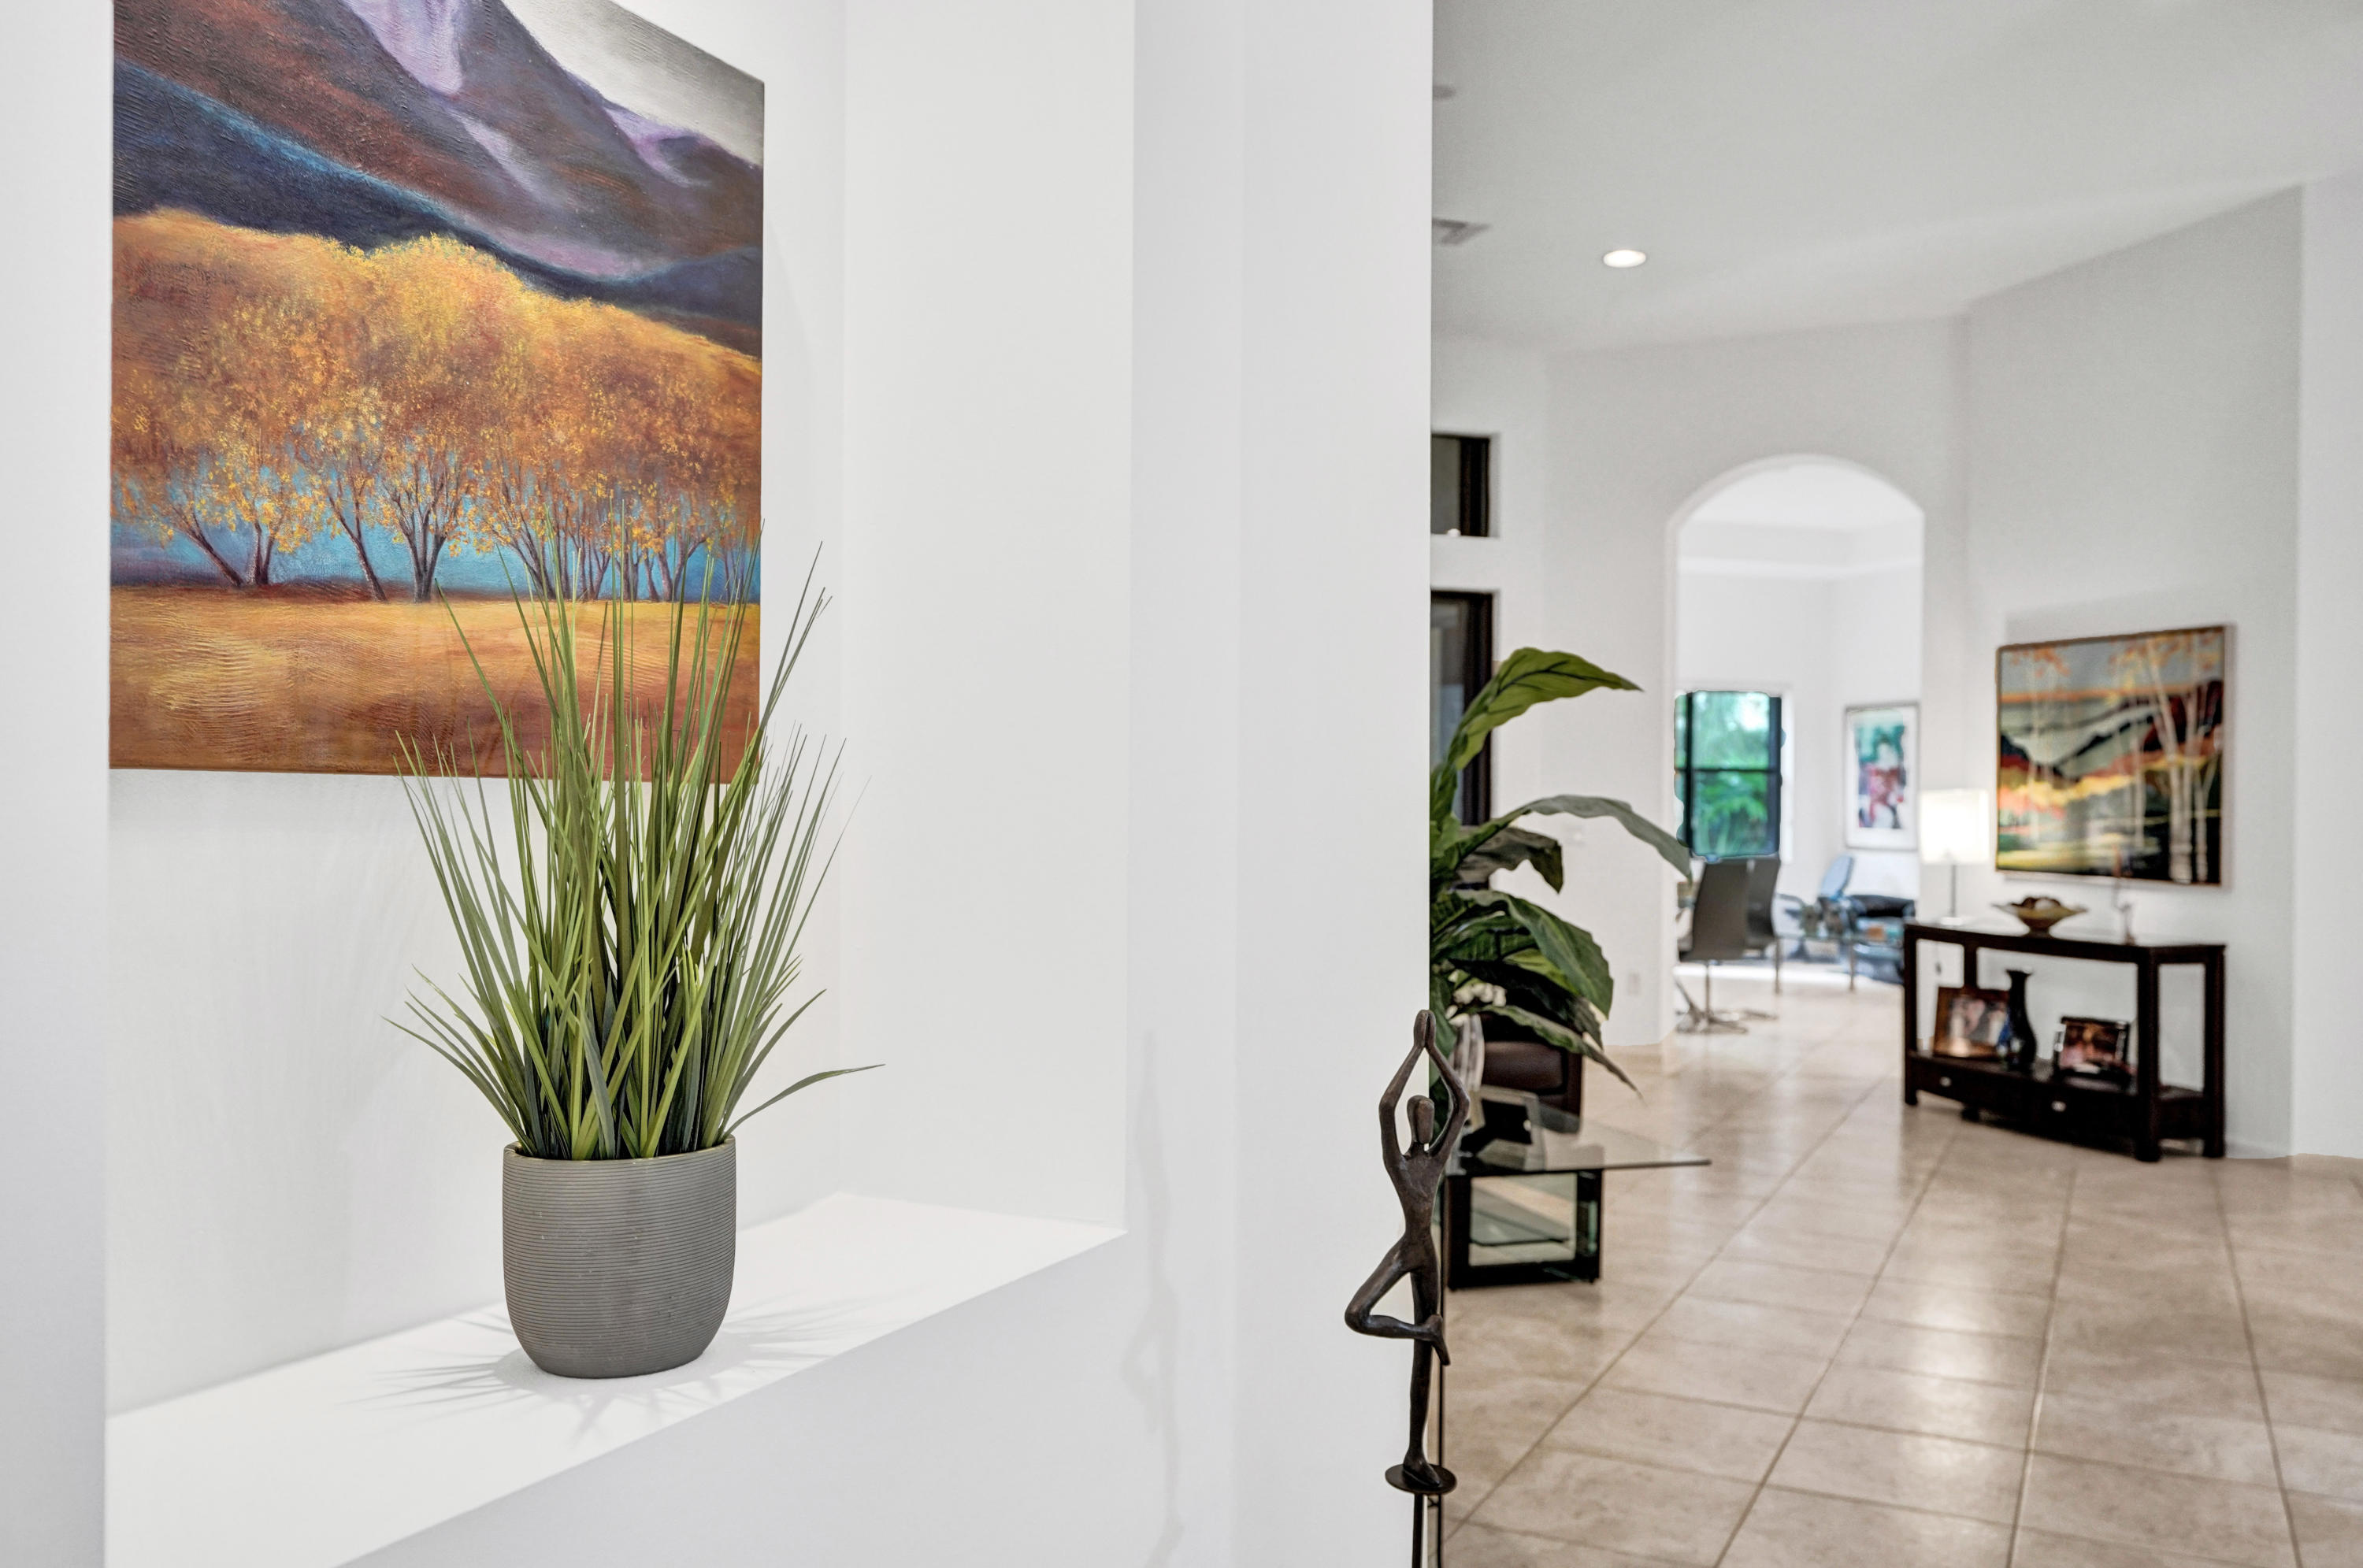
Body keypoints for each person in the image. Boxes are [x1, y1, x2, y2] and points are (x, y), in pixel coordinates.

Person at [1344, 1010, 1471, 1495]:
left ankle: (1416, 1452)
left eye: (1428, 1117)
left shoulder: (1437, 1158)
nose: (1425, 1121)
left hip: (1427, 1254)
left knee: (1424, 1363)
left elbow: (1461, 1102)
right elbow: (1384, 1106)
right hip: (1407, 1250)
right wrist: (1414, 1052)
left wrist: (1436, 1052)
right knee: (1358, 1313)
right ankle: (1424, 1331)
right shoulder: (1398, 1161)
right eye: (1418, 1117)